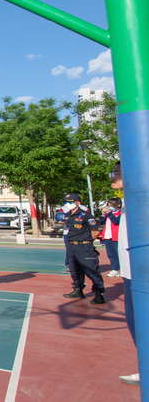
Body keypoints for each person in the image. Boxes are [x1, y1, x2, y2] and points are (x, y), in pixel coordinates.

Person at [110, 161, 140, 386]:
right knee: (135, 324)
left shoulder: (141, 200)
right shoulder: (129, 202)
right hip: (130, 273)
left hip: (140, 276)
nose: (113, 176)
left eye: (117, 173)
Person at [61, 193, 105, 304]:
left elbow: (95, 232)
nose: (68, 204)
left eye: (70, 202)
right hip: (72, 246)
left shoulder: (86, 215)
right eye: (66, 202)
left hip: (84, 246)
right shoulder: (68, 215)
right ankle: (78, 290)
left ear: (77, 203)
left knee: (91, 270)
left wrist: (87, 242)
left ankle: (99, 294)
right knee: (75, 270)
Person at [98, 198, 122, 278]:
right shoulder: (109, 214)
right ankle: (115, 270)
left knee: (119, 254)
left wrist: (109, 213)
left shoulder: (120, 213)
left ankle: (123, 269)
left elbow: (116, 221)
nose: (110, 207)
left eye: (112, 206)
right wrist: (103, 214)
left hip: (117, 237)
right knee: (111, 254)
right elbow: (101, 222)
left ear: (118, 205)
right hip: (108, 237)